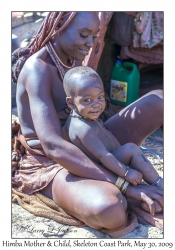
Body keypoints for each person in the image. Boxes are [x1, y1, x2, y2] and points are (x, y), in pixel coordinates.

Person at [12, 11, 163, 235]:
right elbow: (53, 146)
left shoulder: (71, 59)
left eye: (93, 36)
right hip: (52, 162)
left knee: (159, 101)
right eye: (84, 35)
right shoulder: (38, 69)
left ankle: (110, 179)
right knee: (110, 209)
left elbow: (86, 119)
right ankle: (109, 187)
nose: (90, 43)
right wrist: (124, 184)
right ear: (60, 25)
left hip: (88, 142)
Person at [62, 66, 163, 189]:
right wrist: (126, 173)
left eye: (100, 97)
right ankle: (158, 183)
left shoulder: (81, 116)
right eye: (88, 100)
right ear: (71, 102)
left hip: (111, 158)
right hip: (105, 166)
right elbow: (103, 156)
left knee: (129, 150)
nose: (96, 105)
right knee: (131, 149)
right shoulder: (83, 128)